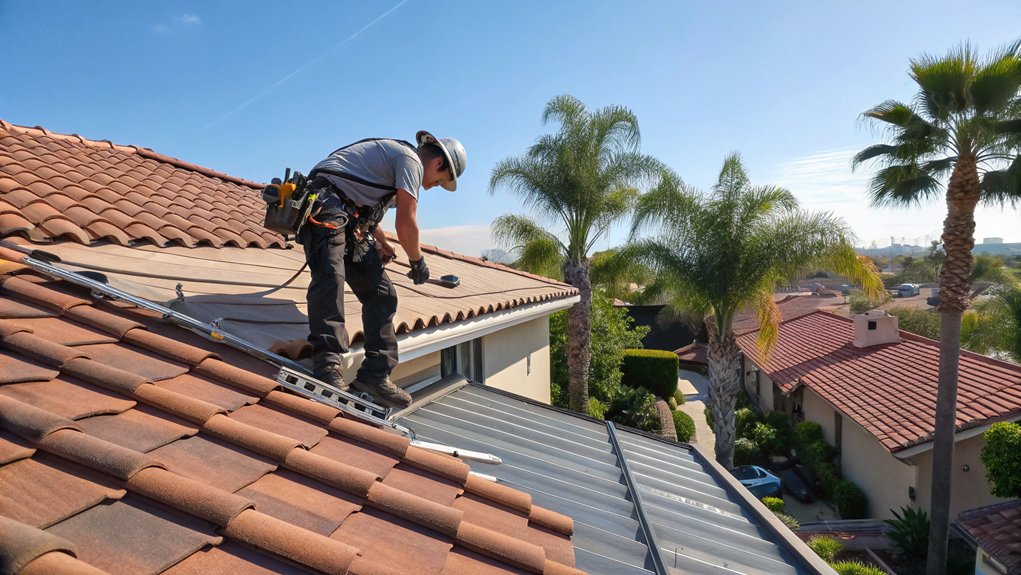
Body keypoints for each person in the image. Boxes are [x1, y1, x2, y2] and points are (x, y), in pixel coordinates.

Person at [299, 131, 466, 409]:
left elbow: (364, 206)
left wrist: (382, 243)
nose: (431, 187)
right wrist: (417, 261)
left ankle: (374, 375)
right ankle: (327, 365)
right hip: (324, 203)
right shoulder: (410, 161)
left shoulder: (397, 166)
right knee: (331, 274)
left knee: (382, 293)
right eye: (439, 182)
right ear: (438, 164)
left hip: (346, 215)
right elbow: (407, 222)